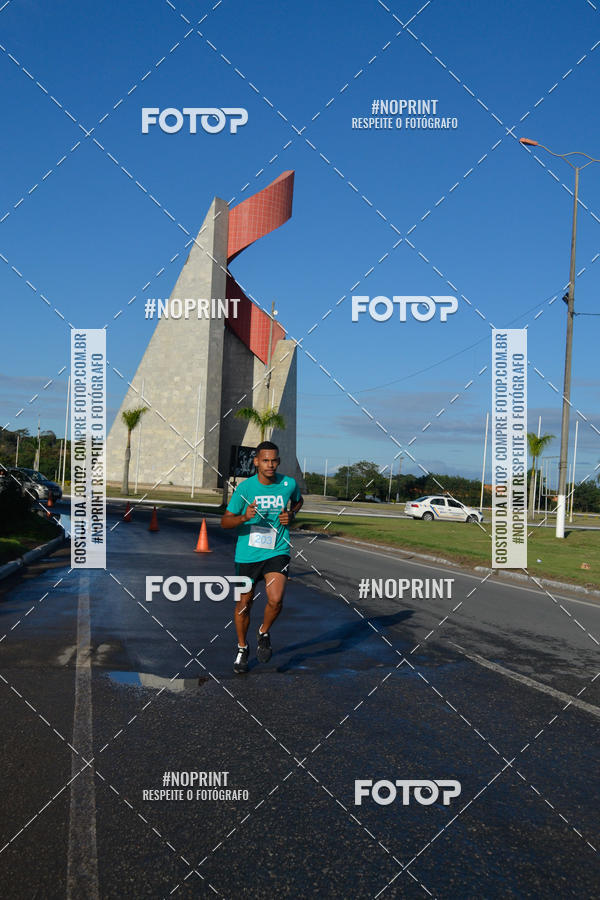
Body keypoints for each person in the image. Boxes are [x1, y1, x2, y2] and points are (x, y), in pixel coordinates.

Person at [220, 441, 303, 673]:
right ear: (256, 461)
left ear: (278, 461)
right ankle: (242, 648)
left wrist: (291, 515)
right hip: (247, 554)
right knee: (244, 604)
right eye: (265, 460)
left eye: (274, 460)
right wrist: (244, 517)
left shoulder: (288, 484)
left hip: (277, 550)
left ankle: (263, 632)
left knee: (276, 599)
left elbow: (298, 501)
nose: (270, 465)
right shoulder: (245, 489)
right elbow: (225, 521)